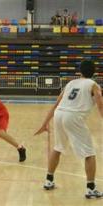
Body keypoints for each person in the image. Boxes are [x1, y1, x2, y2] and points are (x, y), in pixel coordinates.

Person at [35, 60, 103, 199]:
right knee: (89, 152)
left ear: (80, 72)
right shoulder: (94, 85)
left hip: (59, 114)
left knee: (58, 147)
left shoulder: (71, 83)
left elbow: (56, 104)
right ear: (94, 73)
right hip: (73, 116)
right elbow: (100, 106)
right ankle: (90, 188)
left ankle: (49, 180)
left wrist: (45, 123)